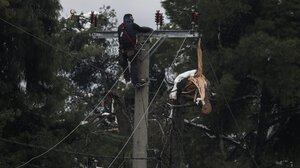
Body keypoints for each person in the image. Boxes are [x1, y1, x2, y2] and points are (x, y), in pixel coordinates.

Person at [118, 13, 153, 86]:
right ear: (129, 18)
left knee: (125, 65)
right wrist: (150, 29)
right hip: (130, 49)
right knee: (133, 64)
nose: (133, 19)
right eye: (132, 17)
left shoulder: (119, 27)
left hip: (122, 50)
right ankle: (135, 82)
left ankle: (127, 79)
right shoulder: (132, 25)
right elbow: (142, 29)